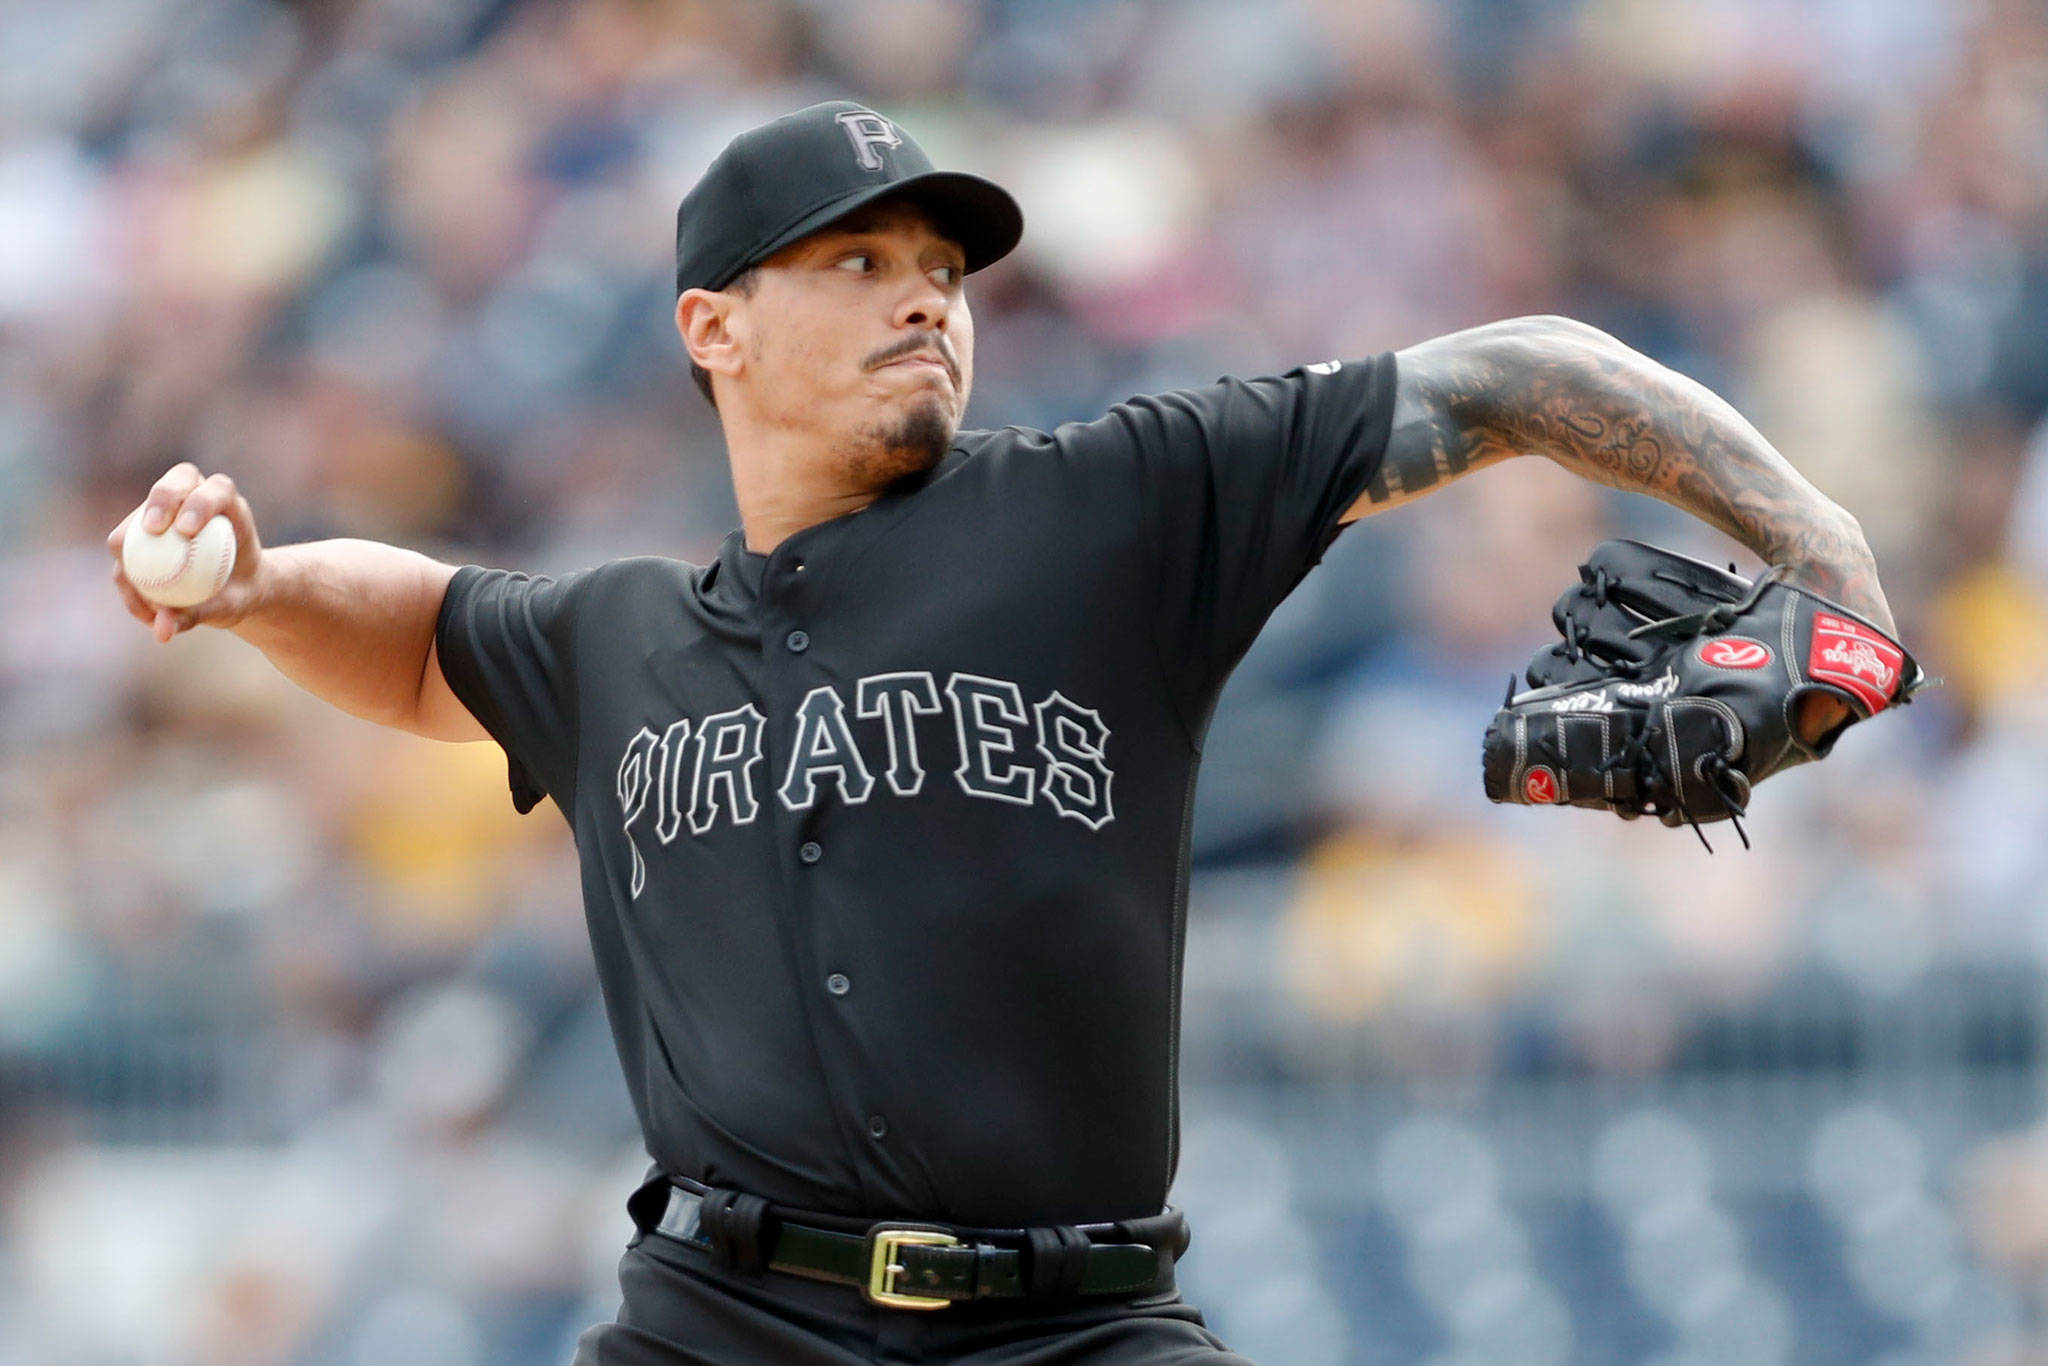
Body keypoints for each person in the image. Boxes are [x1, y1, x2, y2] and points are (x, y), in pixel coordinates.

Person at [107, 102, 1896, 1364]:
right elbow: (421, 629)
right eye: (863, 258)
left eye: (946, 268)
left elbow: (1509, 377)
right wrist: (256, 589)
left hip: (1080, 1324)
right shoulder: (618, 638)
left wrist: (1836, 567)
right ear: (710, 325)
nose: (927, 296)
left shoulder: (1114, 507)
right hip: (727, 1321)